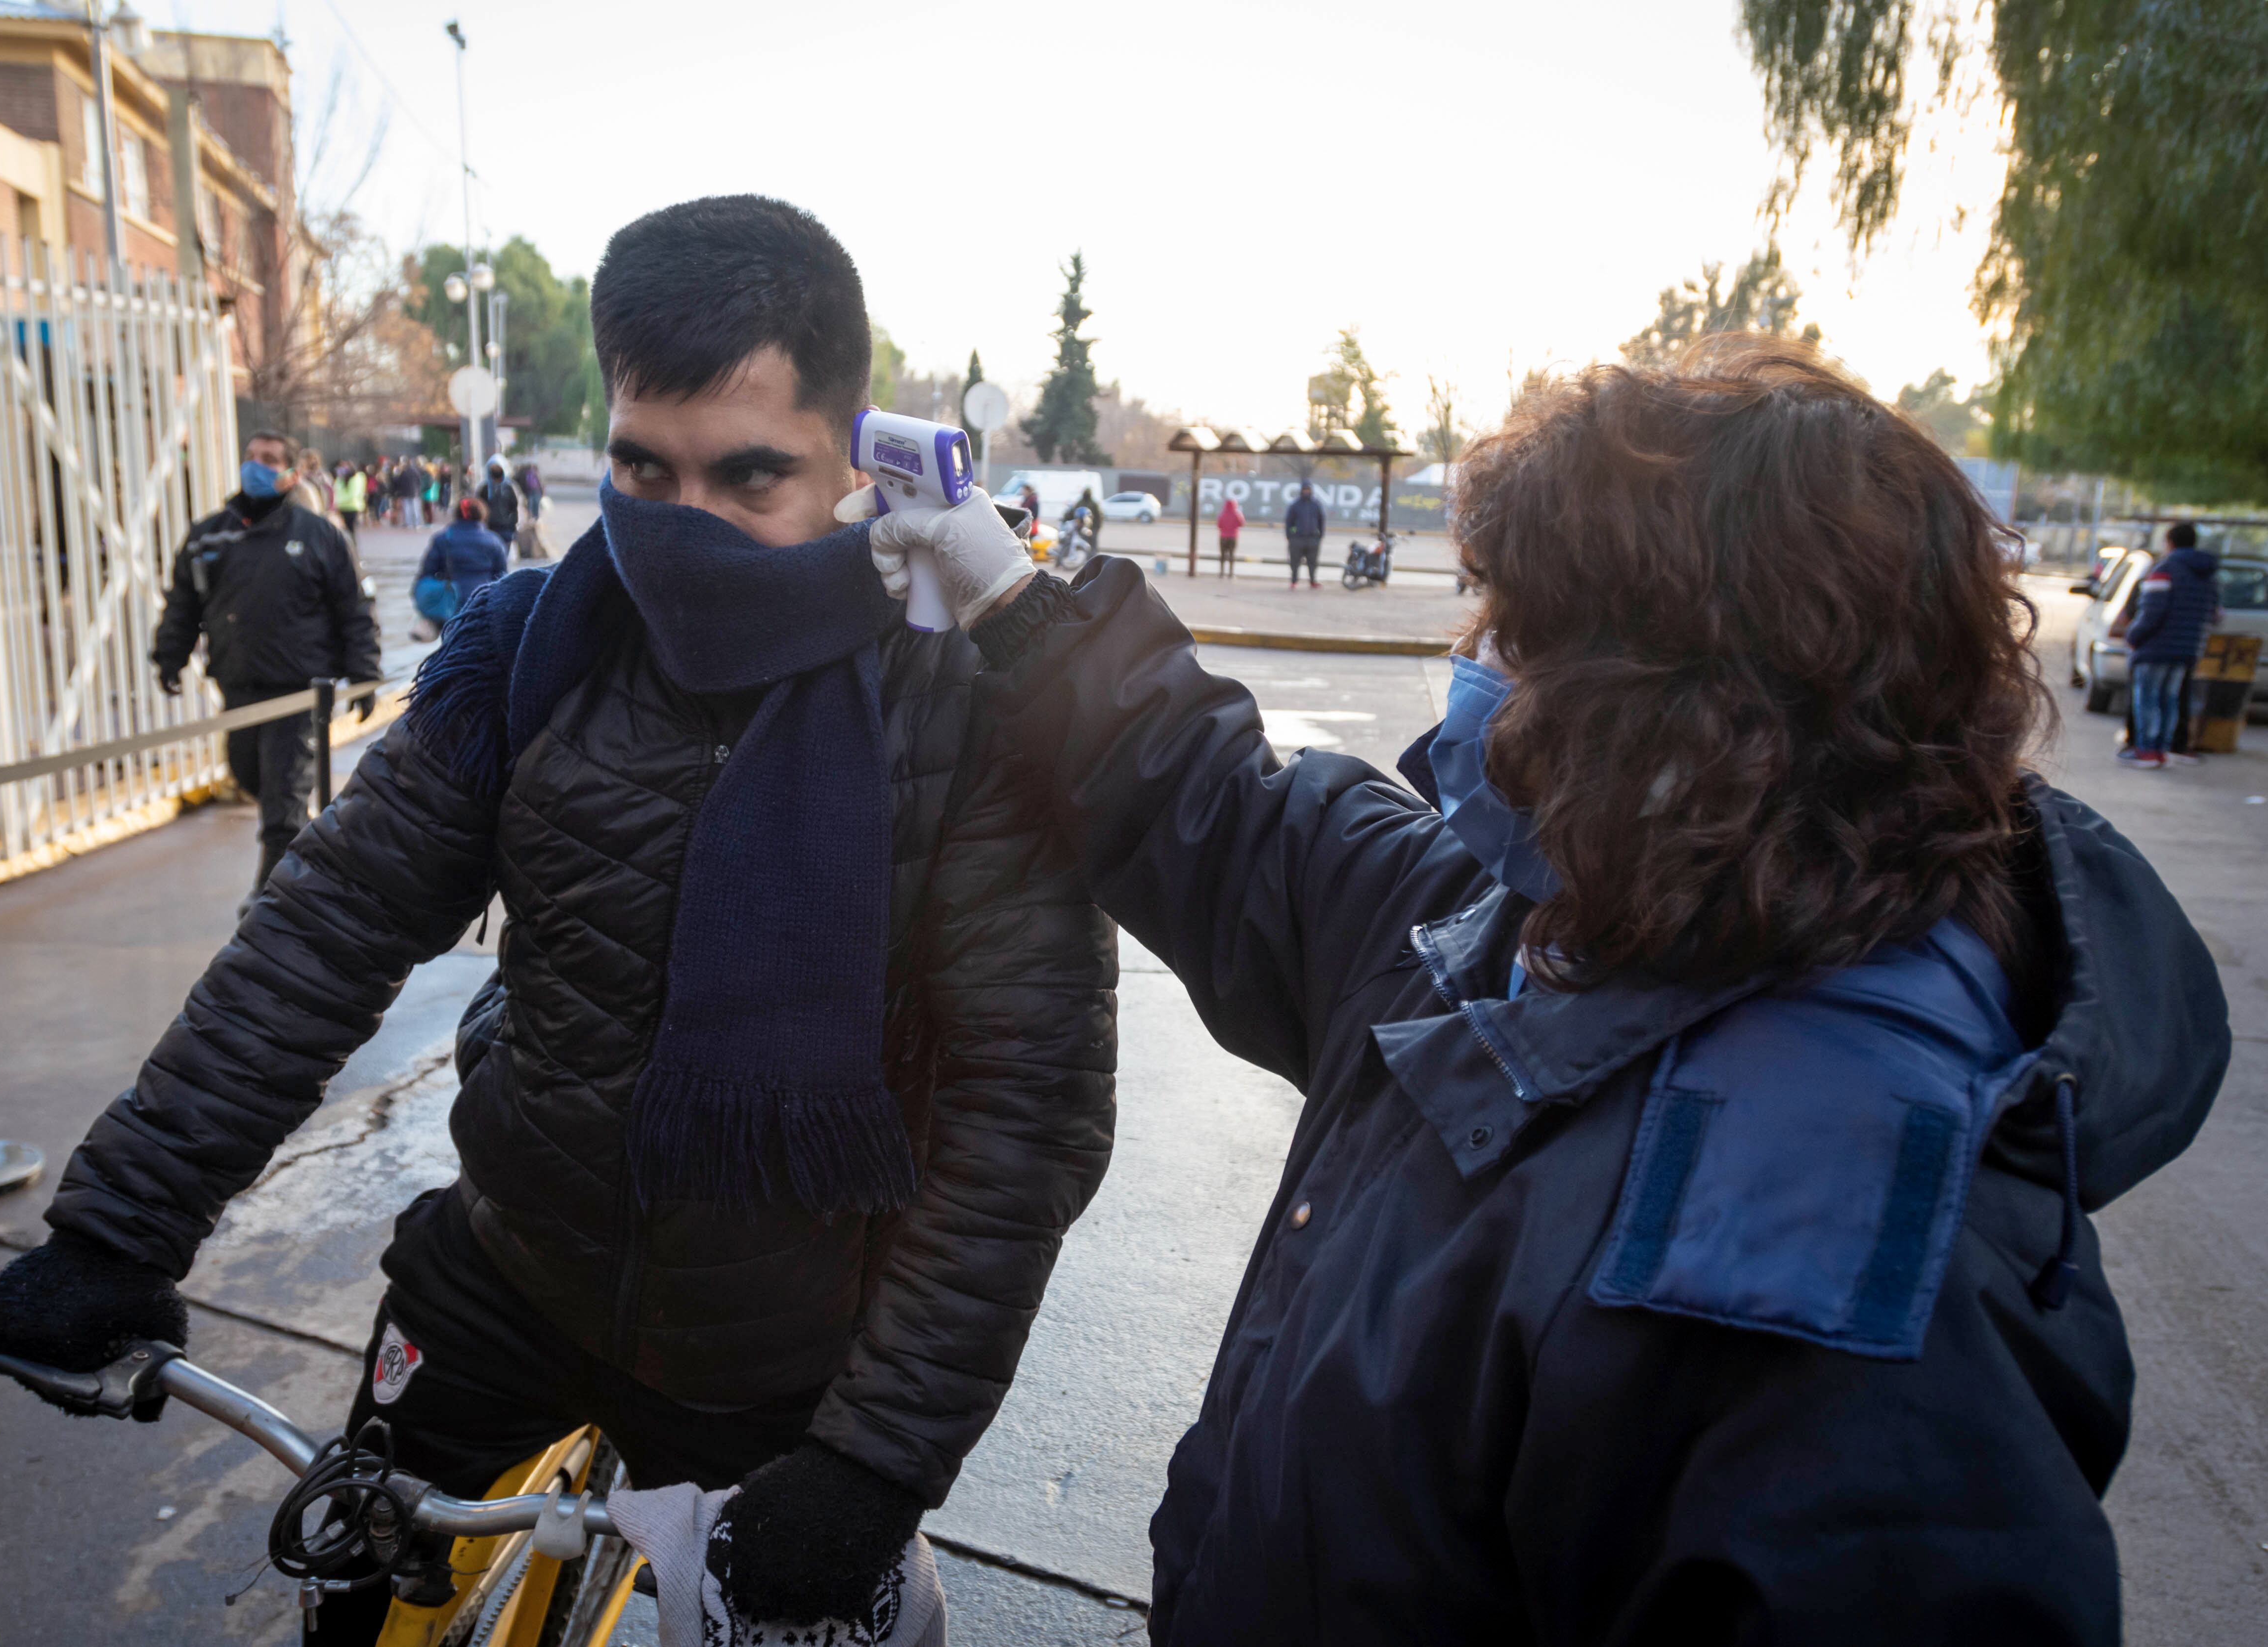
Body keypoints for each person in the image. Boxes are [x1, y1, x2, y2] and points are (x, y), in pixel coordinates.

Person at [869, 336, 2226, 1643]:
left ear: (1689, 706)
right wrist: (1013, 593)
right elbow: (1220, 813)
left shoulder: (1823, 1273)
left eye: (1516, 630)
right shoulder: (1541, 919)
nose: (1475, 665)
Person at [0, 196, 1116, 1643]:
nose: (681, 532)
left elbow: (1029, 1115)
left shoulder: (973, 708)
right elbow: (326, 926)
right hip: (502, 1270)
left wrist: (874, 1458)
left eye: (745, 477)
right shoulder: (526, 642)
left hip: (789, 1357)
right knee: (356, 1607)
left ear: (850, 456)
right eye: (644, 469)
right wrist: (119, 1230)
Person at [147, 430, 381, 894]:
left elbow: (353, 608)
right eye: (252, 457)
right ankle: (308, 851)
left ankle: (270, 905)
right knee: (248, 774)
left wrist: (364, 675)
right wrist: (170, 656)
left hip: (297, 693)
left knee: (283, 805)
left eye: (270, 459)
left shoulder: (319, 536)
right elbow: (183, 603)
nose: (257, 465)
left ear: (291, 473)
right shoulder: (210, 535)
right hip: (238, 685)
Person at [2122, 519, 2220, 769]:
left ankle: (2146, 750)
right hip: (2188, 648)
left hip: (2156, 648)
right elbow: (2215, 615)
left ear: (2170, 542)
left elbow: (2152, 611)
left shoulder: (2165, 568)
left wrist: (2134, 637)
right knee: (2170, 700)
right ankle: (2163, 750)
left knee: (2148, 699)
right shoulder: (2208, 575)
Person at [414, 494, 509, 633]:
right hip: (484, 603)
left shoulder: (442, 539)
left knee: (451, 645)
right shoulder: (494, 541)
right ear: (482, 515)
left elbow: (427, 572)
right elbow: (503, 577)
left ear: (457, 514)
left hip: (451, 605)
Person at [1284, 475, 1325, 588]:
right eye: (1305, 490)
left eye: (1308, 490)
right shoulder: (1295, 505)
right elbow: (1289, 522)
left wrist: (1320, 535)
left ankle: (1313, 581)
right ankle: (1294, 581)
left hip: (1312, 539)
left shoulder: (1316, 504)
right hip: (1298, 539)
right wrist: (1290, 536)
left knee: (1313, 562)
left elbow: (1322, 520)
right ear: (1301, 491)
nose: (1306, 492)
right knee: (1295, 562)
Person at [480, 457, 525, 548]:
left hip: (505, 528)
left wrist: (514, 525)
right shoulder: (485, 489)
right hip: (491, 528)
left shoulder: (509, 488)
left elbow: (515, 507)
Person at [336, 460, 368, 543]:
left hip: (352, 507)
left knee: (350, 530)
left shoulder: (357, 478)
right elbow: (336, 490)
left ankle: (351, 547)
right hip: (341, 507)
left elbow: (353, 494)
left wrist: (337, 501)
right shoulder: (341, 478)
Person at [1215, 492, 1245, 577]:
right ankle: (1231, 573)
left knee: (1223, 555)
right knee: (1232, 555)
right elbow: (1241, 523)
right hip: (1233, 537)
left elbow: (1219, 525)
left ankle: (1221, 573)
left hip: (1223, 537)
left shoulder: (1223, 513)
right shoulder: (1237, 514)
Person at [391, 457, 424, 529]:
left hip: (406, 493)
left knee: (407, 509)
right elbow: (419, 482)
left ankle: (408, 523)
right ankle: (417, 523)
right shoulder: (416, 472)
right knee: (416, 509)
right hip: (415, 493)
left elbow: (399, 482)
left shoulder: (404, 472)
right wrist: (418, 490)